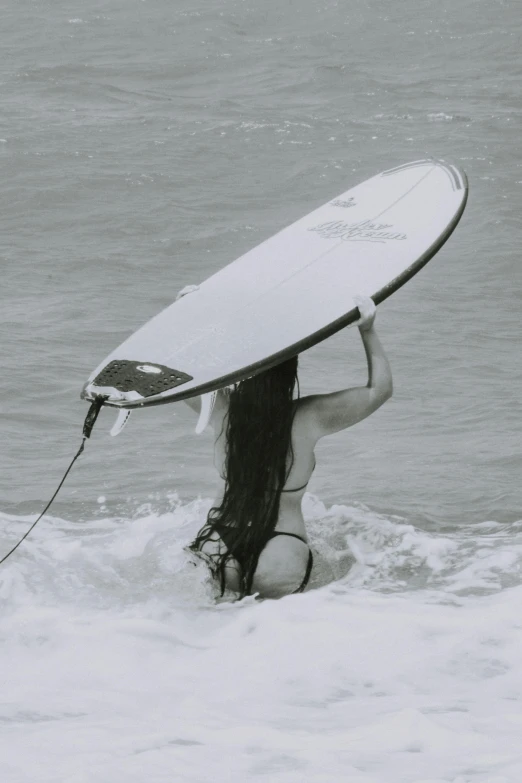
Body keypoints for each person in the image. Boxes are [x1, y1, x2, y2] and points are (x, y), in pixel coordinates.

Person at [181, 292, 392, 600]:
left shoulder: (220, 408)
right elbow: (379, 390)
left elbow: (178, 377)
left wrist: (190, 316)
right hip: (282, 551)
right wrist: (367, 329)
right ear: (290, 371)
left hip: (219, 544)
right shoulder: (311, 416)